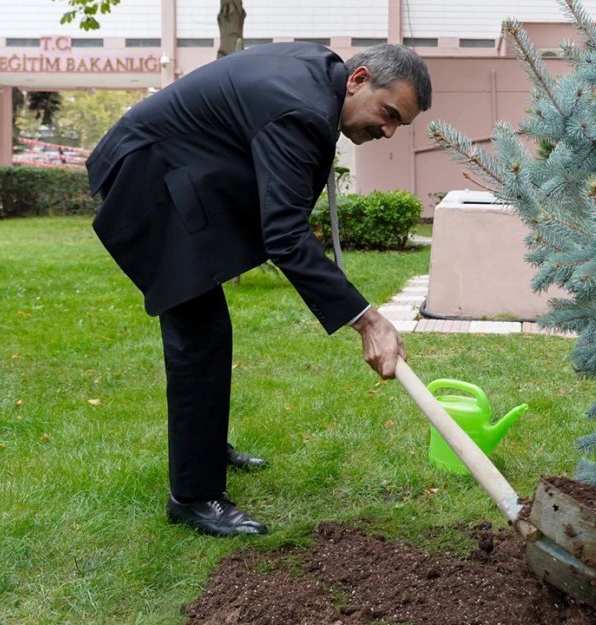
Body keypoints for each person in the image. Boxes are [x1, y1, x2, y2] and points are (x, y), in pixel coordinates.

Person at [85, 42, 432, 537]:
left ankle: (203, 448)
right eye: (389, 113)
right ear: (357, 80)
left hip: (175, 165)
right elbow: (286, 236)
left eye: (401, 123)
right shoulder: (304, 109)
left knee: (206, 329)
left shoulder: (319, 80)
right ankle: (195, 495)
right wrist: (367, 320)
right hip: (147, 175)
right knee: (199, 332)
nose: (389, 131)